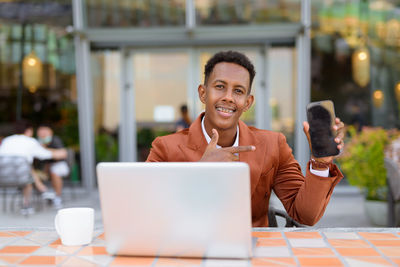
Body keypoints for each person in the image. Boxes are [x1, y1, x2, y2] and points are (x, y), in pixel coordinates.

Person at [147, 51, 345, 227]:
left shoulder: (273, 145)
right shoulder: (165, 148)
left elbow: (305, 215)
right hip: (190, 252)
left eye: (238, 91)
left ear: (248, 102)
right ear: (203, 93)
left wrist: (320, 163)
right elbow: (149, 214)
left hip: (253, 254)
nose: (228, 97)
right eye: (219, 86)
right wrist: (201, 172)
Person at [0, 120, 67, 215]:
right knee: (27, 174)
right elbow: (45, 154)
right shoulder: (30, 141)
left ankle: (42, 190)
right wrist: (60, 153)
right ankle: (28, 203)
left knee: (27, 169)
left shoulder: (6, 140)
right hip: (22, 177)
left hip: (3, 177)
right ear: (28, 130)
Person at [36, 124, 70, 209]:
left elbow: (63, 154)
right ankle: (46, 193)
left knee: (55, 171)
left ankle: (57, 197)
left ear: (50, 132)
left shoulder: (55, 140)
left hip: (59, 165)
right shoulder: (36, 143)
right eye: (41, 133)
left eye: (44, 132)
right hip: (45, 168)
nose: (43, 134)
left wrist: (44, 150)